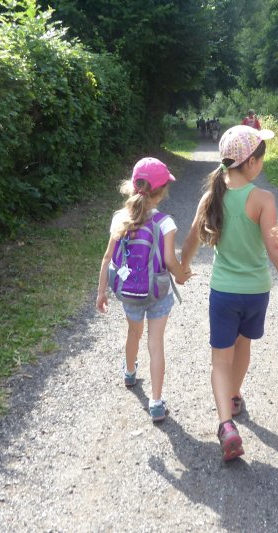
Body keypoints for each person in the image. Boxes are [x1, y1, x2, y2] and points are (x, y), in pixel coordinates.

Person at [181, 125, 278, 461]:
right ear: (252, 163)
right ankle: (235, 394)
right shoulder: (262, 199)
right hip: (256, 292)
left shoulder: (211, 195)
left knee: (220, 359)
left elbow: (191, 239)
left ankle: (226, 423)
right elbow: (274, 250)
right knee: (244, 346)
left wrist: (183, 267)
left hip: (224, 291)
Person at [96, 157, 189, 422]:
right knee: (155, 342)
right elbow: (171, 261)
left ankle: (129, 372)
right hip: (158, 292)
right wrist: (182, 276)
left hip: (129, 292)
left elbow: (107, 258)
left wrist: (101, 292)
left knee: (133, 334)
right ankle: (156, 402)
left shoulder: (120, 219)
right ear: (161, 193)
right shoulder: (165, 223)